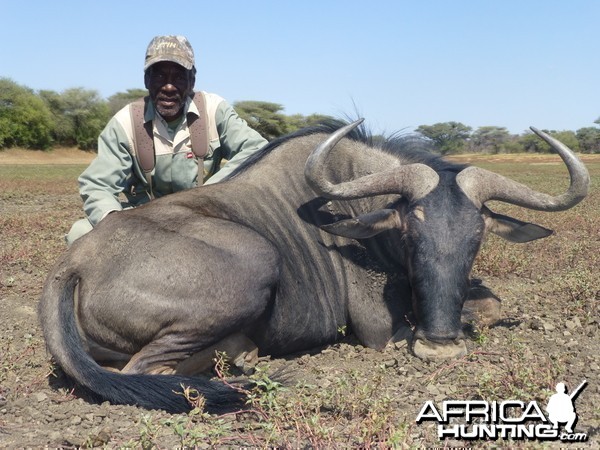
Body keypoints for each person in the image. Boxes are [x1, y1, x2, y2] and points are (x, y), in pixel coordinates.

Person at [66, 35, 268, 246]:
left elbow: (257, 150)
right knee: (80, 233)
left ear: (192, 81)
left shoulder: (214, 110)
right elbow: (97, 185)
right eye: (160, 76)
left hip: (205, 217)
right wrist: (117, 225)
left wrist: (209, 195)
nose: (169, 87)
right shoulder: (125, 122)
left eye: (179, 77)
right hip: (146, 221)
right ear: (146, 80)